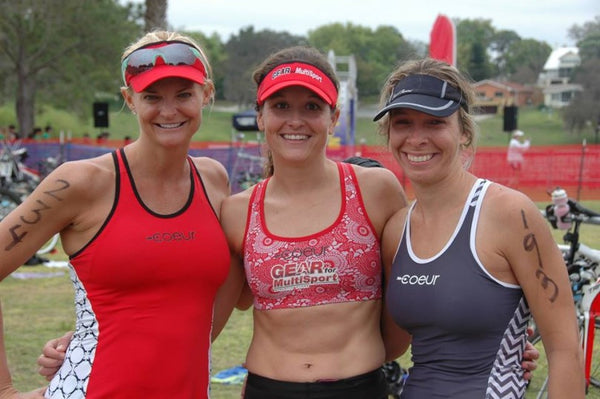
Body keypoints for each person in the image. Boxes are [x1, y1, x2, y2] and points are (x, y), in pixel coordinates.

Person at [37, 46, 540, 399]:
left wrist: (490, 347)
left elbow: (419, 285)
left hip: (360, 386)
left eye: (310, 107)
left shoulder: (376, 190)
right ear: (260, 116)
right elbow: (198, 317)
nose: (295, 120)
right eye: (280, 107)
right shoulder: (237, 210)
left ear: (332, 114)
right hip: (267, 388)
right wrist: (86, 347)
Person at [0, 30, 243, 399]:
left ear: (206, 94)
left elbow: (221, 287)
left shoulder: (214, 179)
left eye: (183, 94)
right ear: (129, 100)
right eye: (151, 97)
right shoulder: (82, 182)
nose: (168, 110)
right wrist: (6, 390)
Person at [374, 58, 584, 398]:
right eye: (403, 123)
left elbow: (564, 351)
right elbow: (388, 345)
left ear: (464, 132)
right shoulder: (397, 230)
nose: (416, 138)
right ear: (388, 134)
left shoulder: (510, 214)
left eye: (434, 123)